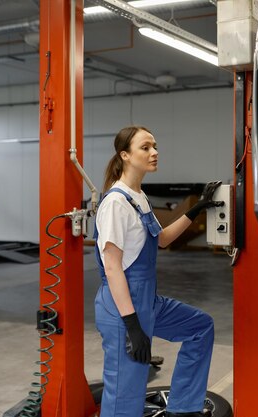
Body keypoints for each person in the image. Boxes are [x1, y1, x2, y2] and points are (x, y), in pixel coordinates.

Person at [94, 125, 221, 417]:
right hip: (122, 306)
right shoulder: (115, 202)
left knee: (200, 327)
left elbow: (161, 239)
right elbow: (113, 267)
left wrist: (196, 209)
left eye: (155, 146)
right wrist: (132, 326)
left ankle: (183, 407)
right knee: (126, 394)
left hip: (148, 301)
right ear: (124, 155)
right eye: (146, 147)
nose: (154, 152)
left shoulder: (139, 196)